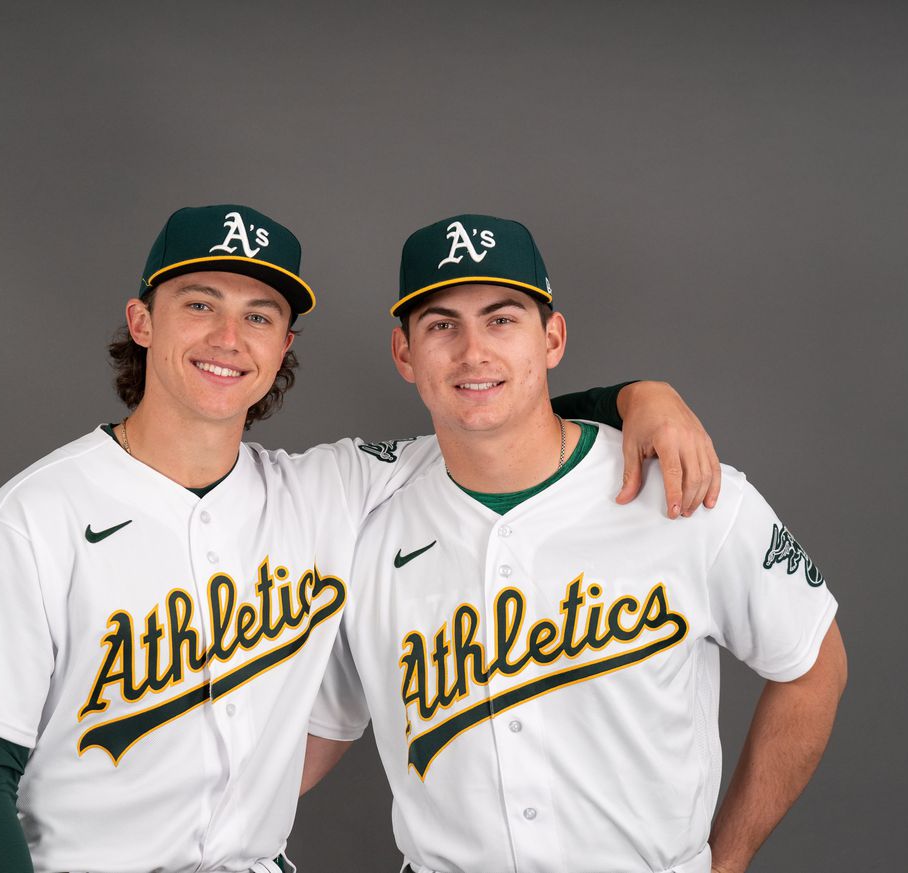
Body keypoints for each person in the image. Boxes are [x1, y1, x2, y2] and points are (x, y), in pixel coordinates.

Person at [0, 204, 722, 873]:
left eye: (259, 314)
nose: (229, 337)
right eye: (200, 302)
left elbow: (493, 412)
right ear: (143, 321)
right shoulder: (30, 518)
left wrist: (635, 397)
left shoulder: (330, 489)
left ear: (283, 347)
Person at [303, 213, 848, 873]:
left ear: (552, 338)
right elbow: (321, 726)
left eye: (502, 319)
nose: (473, 351)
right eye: (442, 324)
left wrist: (726, 862)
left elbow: (814, 664)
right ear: (404, 353)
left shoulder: (687, 487)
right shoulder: (365, 520)